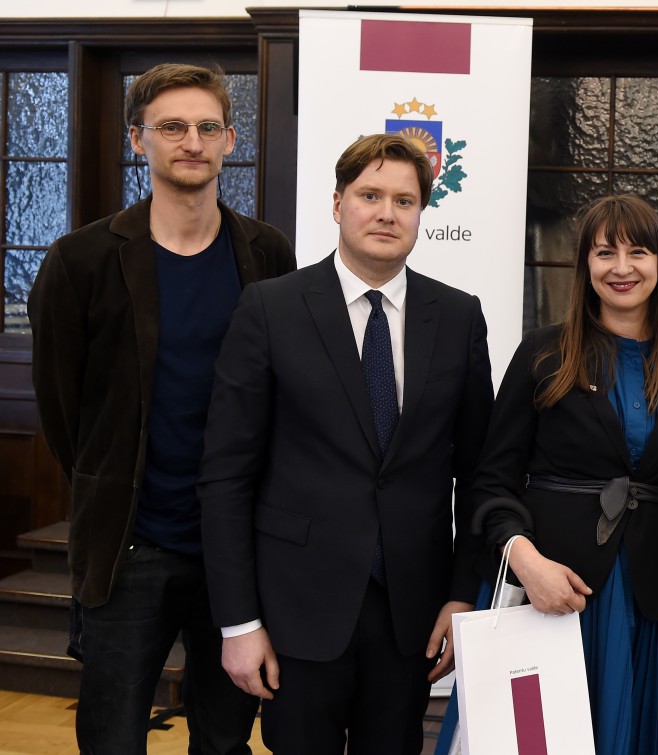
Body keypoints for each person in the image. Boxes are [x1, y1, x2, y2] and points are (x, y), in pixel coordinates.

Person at [28, 63, 295, 754]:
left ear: (230, 139)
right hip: (130, 546)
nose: (192, 141)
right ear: (137, 139)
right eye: (172, 126)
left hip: (235, 549)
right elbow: (62, 409)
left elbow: (283, 395)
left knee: (225, 738)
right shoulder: (81, 260)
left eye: (208, 127)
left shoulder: (266, 253)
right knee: (111, 738)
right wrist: (112, 479)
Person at [196, 133, 493, 754]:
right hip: (296, 609)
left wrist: (463, 593)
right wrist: (239, 622)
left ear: (421, 213)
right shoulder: (270, 309)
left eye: (404, 201)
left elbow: (479, 473)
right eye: (370, 195)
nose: (387, 213)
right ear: (337, 204)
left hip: (412, 613)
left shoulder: (459, 316)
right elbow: (226, 477)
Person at [473, 194, 658, 754]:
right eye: (605, 252)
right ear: (585, 264)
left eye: (638, 252)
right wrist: (526, 561)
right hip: (551, 593)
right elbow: (490, 481)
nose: (621, 268)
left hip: (653, 606)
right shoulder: (543, 354)